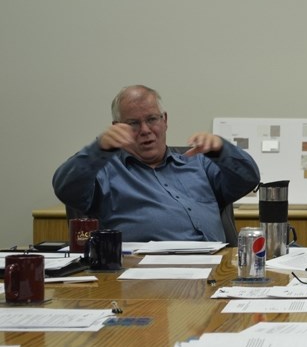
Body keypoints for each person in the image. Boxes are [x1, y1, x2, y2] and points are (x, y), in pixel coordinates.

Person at [53, 85, 260, 242]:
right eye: (133, 123)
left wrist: (222, 150)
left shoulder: (198, 163)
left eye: (152, 119)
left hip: (216, 271)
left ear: (165, 120)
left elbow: (248, 179)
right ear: (117, 128)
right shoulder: (106, 172)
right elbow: (66, 189)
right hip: (147, 281)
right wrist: (99, 149)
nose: (145, 130)